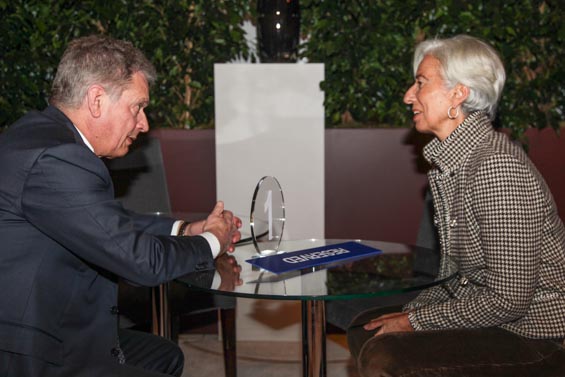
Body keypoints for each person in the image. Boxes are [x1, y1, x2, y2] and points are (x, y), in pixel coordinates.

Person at [0, 35, 242, 377]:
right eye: (138, 107)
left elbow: (106, 223)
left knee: (165, 356)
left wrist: (186, 230)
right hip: (33, 352)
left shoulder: (42, 134)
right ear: (97, 100)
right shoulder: (59, 158)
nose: (143, 124)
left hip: (54, 326)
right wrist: (212, 240)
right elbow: (142, 263)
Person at [347, 35, 565, 376]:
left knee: (386, 358)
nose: (408, 96)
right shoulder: (457, 162)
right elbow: (457, 278)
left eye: (420, 83)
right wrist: (412, 312)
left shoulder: (495, 166)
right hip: (502, 320)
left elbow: (509, 300)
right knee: (367, 327)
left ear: (458, 93)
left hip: (540, 334)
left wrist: (415, 321)